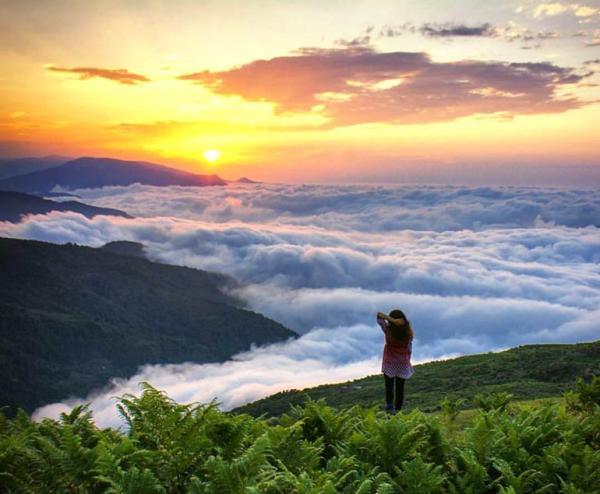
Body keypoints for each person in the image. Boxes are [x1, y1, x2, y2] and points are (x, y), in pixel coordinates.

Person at [376, 309, 414, 413]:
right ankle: (398, 410)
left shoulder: (388, 331)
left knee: (389, 386)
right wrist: (408, 361)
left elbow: (379, 317)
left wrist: (390, 319)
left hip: (389, 362)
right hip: (403, 363)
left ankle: (390, 408)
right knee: (400, 388)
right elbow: (409, 349)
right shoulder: (408, 334)